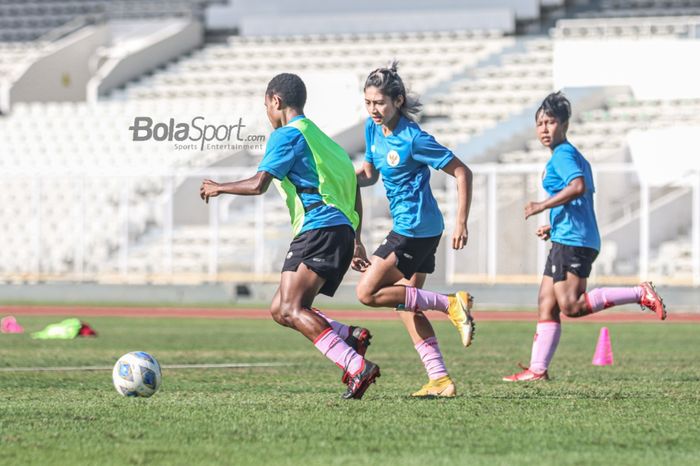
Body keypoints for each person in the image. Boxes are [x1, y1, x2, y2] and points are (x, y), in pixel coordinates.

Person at [200, 73, 379, 399]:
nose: (267, 114)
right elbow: (353, 189)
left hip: (317, 228)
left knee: (293, 308)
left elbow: (259, 184)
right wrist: (355, 238)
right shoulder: (326, 141)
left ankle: (355, 365)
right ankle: (349, 336)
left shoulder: (287, 135)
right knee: (281, 309)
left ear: (275, 101)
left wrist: (219, 187)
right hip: (336, 229)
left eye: (266, 106)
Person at [502, 92, 667, 382]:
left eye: (550, 122)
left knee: (571, 305)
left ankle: (639, 293)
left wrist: (542, 206)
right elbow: (579, 199)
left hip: (574, 240)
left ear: (564, 124)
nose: (543, 129)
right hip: (567, 236)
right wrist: (553, 226)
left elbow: (577, 187)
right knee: (546, 301)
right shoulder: (569, 155)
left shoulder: (564, 155)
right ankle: (537, 369)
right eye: (539, 123)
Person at [352, 61, 475, 398]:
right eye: (368, 102)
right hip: (414, 227)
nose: (374, 109)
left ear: (398, 101)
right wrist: (345, 178)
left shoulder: (414, 138)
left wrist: (461, 220)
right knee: (407, 305)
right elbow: (370, 175)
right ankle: (440, 380)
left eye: (380, 102)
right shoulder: (372, 129)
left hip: (415, 227)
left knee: (366, 292)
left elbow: (463, 172)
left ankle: (452, 303)